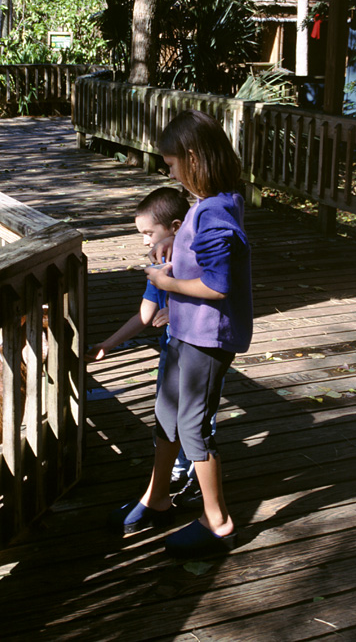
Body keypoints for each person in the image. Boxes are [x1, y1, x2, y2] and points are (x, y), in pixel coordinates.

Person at [108, 109, 253, 560]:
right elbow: (204, 255)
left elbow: (217, 285)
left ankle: (218, 521)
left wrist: (168, 283)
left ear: (193, 158)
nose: (168, 170)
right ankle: (157, 497)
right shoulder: (211, 202)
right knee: (167, 415)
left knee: (193, 428)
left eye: (171, 163)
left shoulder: (213, 213)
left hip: (207, 338)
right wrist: (178, 252)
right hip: (187, 332)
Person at [86, 187, 195, 492]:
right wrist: (107, 344)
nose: (145, 241)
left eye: (149, 232)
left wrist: (178, 312)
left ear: (175, 227)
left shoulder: (194, 262)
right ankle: (176, 469)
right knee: (167, 408)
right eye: (141, 234)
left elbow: (214, 298)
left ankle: (195, 473)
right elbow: (144, 316)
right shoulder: (158, 269)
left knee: (197, 415)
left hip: (200, 353)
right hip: (171, 351)